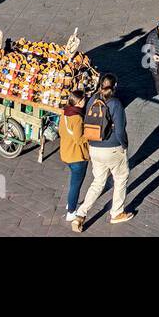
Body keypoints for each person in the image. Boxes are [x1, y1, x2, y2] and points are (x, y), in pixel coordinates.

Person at [72, 73, 134, 231]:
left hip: (94, 148)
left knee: (98, 182)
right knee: (120, 179)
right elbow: (120, 131)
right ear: (115, 87)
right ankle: (117, 213)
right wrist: (124, 145)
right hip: (112, 149)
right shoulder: (115, 104)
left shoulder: (92, 99)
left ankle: (80, 213)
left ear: (99, 85)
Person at [59, 88, 90, 221]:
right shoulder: (77, 118)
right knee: (75, 185)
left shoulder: (65, 113)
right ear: (80, 101)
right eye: (84, 99)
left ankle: (70, 203)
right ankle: (71, 212)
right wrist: (90, 137)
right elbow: (79, 139)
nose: (85, 101)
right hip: (77, 156)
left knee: (73, 183)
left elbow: (62, 132)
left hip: (66, 153)